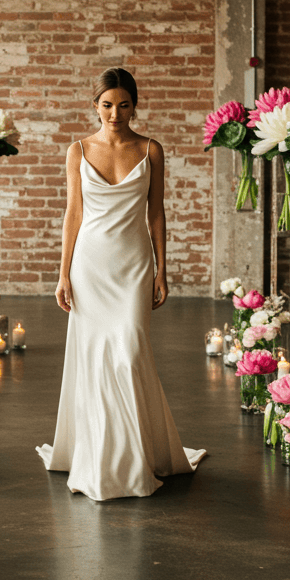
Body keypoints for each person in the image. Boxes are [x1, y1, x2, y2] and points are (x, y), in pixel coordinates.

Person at [36, 67, 206, 500]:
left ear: (135, 105)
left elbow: (156, 214)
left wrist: (162, 270)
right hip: (89, 266)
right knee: (95, 359)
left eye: (124, 104)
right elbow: (72, 214)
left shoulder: (151, 149)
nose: (115, 113)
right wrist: (62, 273)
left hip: (132, 265)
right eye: (107, 104)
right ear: (95, 105)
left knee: (129, 352)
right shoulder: (77, 150)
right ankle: (101, 459)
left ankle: (134, 457)